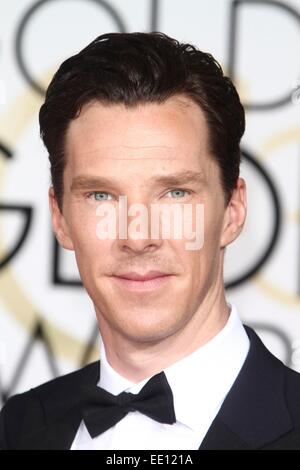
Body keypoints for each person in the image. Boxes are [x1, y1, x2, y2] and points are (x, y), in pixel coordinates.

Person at [0, 32, 299, 451]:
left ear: (232, 211)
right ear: (60, 218)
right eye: (101, 196)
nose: (138, 237)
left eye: (175, 193)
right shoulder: (18, 428)